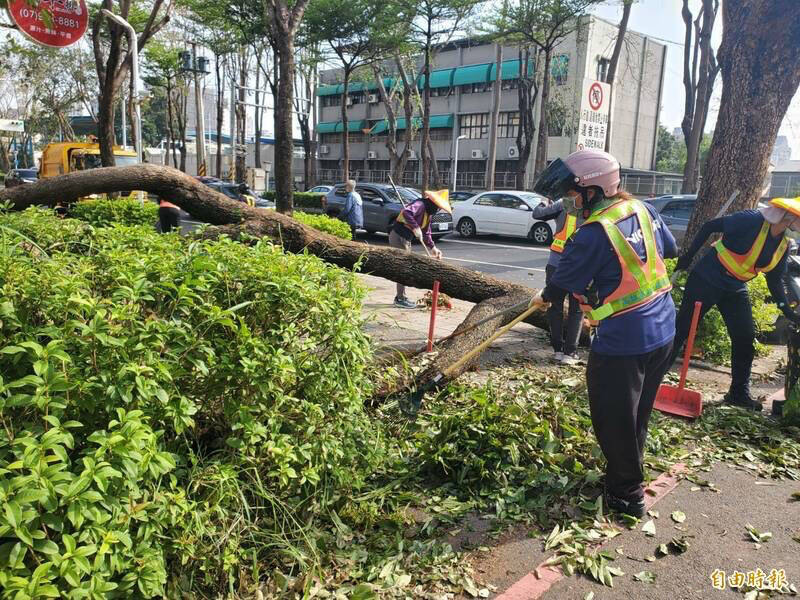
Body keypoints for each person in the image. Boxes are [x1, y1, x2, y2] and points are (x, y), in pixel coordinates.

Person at [534, 149, 678, 518]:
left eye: (573, 194)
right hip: (664, 329)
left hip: (624, 341)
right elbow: (671, 250)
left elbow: (562, 284)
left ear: (593, 191)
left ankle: (627, 496)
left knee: (613, 418)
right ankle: (625, 473)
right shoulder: (643, 210)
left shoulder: (593, 232)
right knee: (636, 412)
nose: (570, 201)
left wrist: (544, 297)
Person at [671, 197, 800, 411]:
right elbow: (710, 226)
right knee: (682, 330)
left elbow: (775, 281)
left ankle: (738, 394)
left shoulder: (783, 247)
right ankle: (650, 381)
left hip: (735, 287)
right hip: (707, 278)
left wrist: (787, 310)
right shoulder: (750, 220)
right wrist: (688, 256)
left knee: (745, 337)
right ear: (788, 218)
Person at [531, 198, 585, 364]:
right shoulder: (592, 204)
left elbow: (537, 214)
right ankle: (570, 353)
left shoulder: (563, 203)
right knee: (577, 309)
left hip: (556, 264)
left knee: (554, 306)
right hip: (580, 266)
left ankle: (557, 350)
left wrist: (542, 203)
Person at [389, 189, 451, 309]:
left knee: (405, 267)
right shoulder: (420, 205)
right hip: (398, 237)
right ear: (433, 203)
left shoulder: (428, 213)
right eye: (438, 207)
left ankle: (402, 296)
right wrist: (415, 227)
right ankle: (400, 298)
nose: (438, 210)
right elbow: (407, 212)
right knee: (403, 268)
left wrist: (433, 248)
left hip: (406, 239)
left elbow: (426, 232)